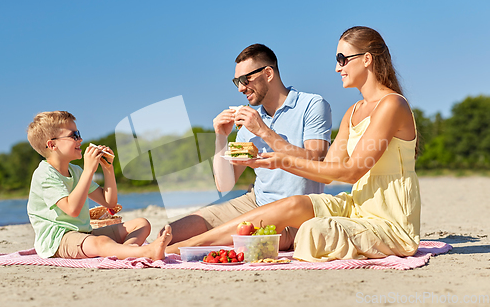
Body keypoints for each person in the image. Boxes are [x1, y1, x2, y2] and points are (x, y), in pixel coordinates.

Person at [165, 26, 420, 262]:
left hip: (385, 219)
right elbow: (329, 172)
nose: (336, 68)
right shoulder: (352, 111)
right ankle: (167, 249)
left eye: (342, 59)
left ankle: (172, 251)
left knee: (307, 231)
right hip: (337, 207)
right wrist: (222, 137)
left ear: (367, 59)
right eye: (336, 60)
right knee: (177, 230)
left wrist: (280, 157)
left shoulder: (388, 105)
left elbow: (346, 170)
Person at [164, 43, 332, 251]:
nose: (240, 88)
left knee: (231, 240)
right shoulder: (248, 124)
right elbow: (225, 185)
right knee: (169, 233)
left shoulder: (312, 105)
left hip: (296, 215)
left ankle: (178, 249)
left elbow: (316, 159)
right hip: (255, 201)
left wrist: (263, 131)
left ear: (268, 73)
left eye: (245, 80)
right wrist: (221, 138)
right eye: (236, 81)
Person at [26, 111, 172, 260]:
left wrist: (108, 169)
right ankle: (144, 252)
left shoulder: (75, 171)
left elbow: (109, 202)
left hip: (84, 234)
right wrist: (89, 170)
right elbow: (72, 210)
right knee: (101, 242)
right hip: (58, 240)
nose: (80, 139)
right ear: (52, 144)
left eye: (79, 134)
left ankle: (128, 250)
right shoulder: (44, 175)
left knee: (142, 223)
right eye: (74, 135)